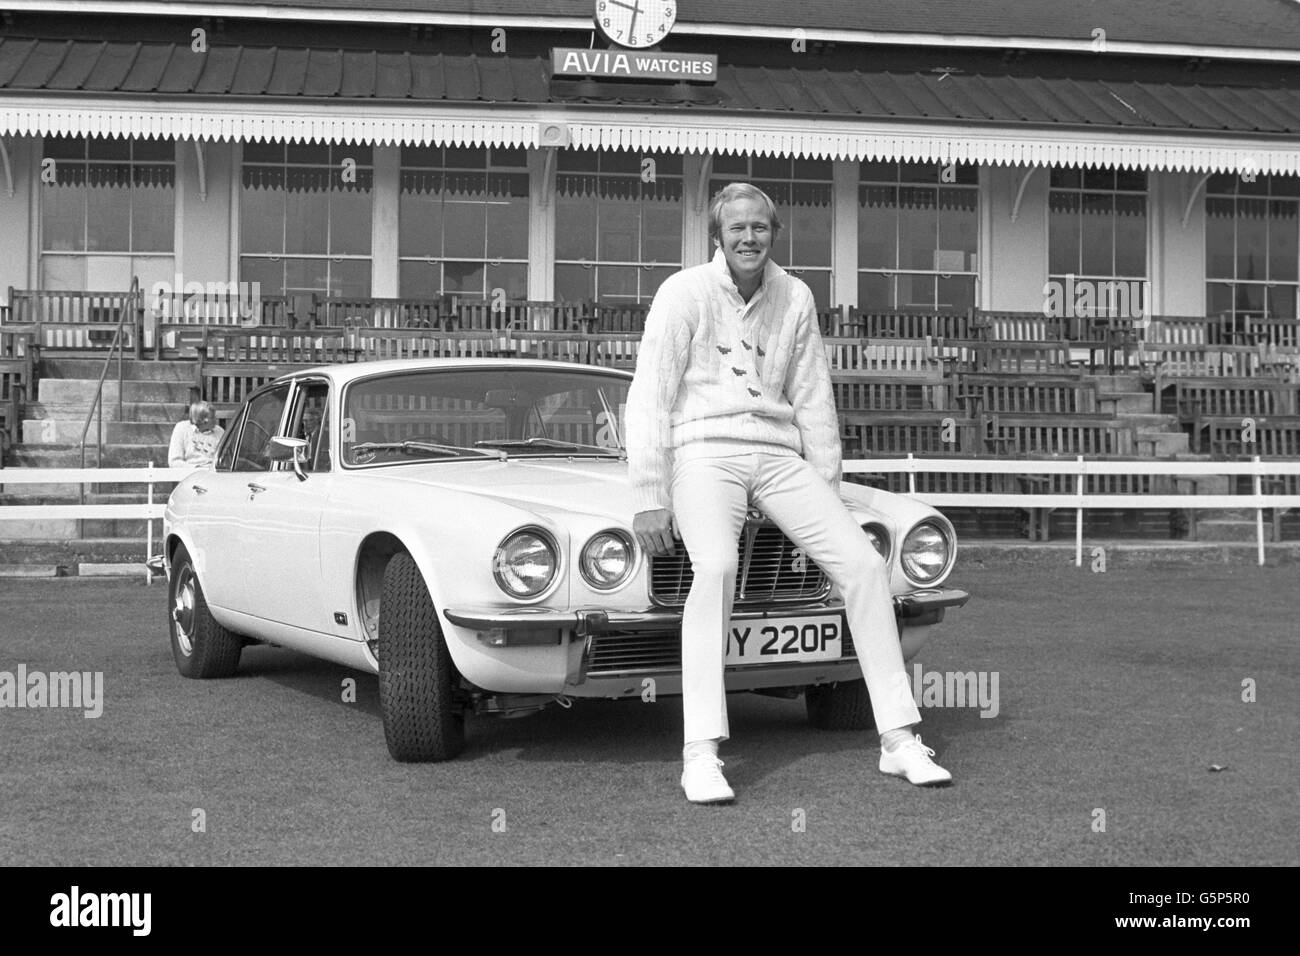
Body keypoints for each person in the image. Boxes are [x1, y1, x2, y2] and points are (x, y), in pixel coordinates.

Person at [625, 182, 952, 804]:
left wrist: (827, 492)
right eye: (737, 229)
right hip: (703, 450)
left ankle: (900, 738)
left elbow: (813, 400)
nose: (749, 239)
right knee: (716, 566)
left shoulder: (796, 294)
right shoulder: (683, 291)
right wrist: (648, 490)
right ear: (717, 236)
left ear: (775, 232)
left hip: (778, 455)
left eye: (760, 228)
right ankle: (701, 752)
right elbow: (651, 394)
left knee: (862, 565)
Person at [168, 401, 224, 468]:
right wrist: (196, 468)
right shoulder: (182, 428)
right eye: (212, 417)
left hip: (213, 472)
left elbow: (227, 458)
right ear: (202, 420)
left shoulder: (219, 431)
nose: (216, 420)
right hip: (189, 472)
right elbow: (174, 461)